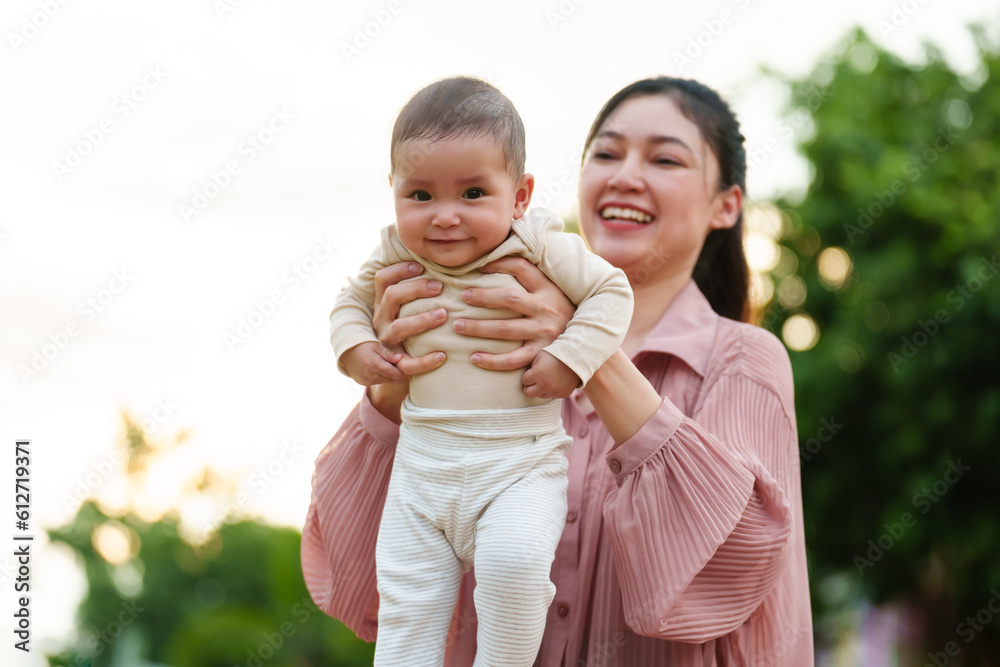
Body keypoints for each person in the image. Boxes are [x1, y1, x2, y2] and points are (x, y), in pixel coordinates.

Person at [302, 76, 814, 666]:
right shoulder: (457, 328)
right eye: (607, 153)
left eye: (665, 159)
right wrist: (399, 370)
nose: (625, 176)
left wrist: (582, 351)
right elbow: (355, 587)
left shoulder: (743, 361)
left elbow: (731, 576)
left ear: (726, 204)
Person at [328, 76, 634, 667]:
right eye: (420, 195)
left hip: (518, 463)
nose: (445, 217)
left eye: (472, 193)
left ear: (519, 196)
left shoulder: (536, 242)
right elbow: (349, 303)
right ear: (393, 190)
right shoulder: (396, 251)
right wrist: (358, 350)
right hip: (422, 464)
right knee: (408, 601)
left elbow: (610, 292)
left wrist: (567, 359)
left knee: (515, 568)